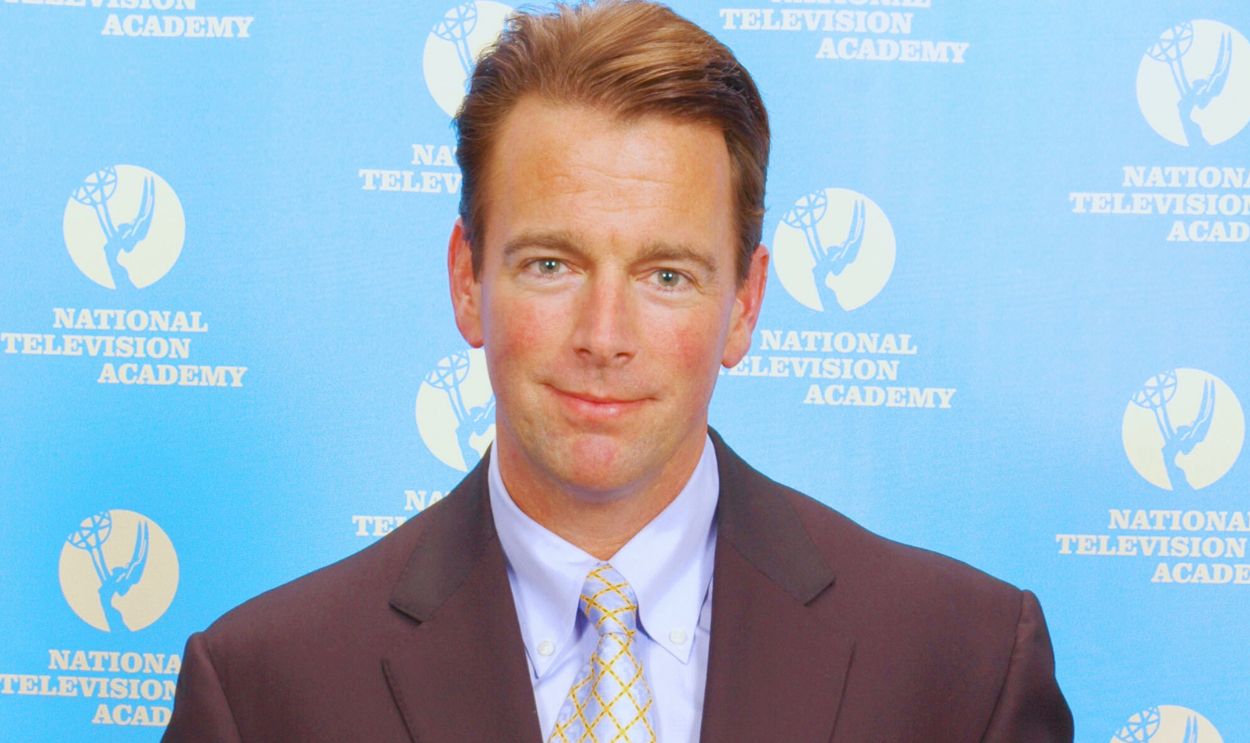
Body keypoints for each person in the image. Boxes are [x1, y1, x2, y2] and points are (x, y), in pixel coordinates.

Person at [164, 1, 1073, 740]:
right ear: (468, 282)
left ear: (745, 305)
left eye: (665, 274)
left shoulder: (963, 664)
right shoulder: (263, 689)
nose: (604, 335)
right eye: (551, 264)